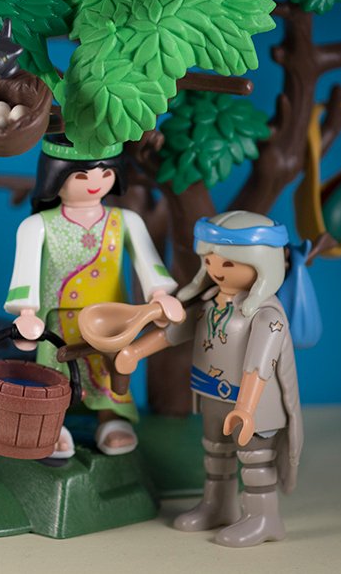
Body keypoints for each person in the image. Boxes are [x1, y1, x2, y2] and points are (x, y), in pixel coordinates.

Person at [115, 210, 317, 547]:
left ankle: (264, 518)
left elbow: (259, 366)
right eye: (209, 261)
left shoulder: (266, 315)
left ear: (261, 264)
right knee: (216, 454)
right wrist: (135, 352)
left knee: (255, 460)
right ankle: (218, 506)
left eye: (228, 263)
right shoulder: (211, 302)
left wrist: (247, 408)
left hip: (254, 404)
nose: (215, 270)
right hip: (213, 396)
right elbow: (173, 332)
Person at [5, 134, 182, 458]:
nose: (95, 182)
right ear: (55, 175)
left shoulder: (125, 221)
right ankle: (52, 423)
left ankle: (111, 418)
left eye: (105, 172)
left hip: (110, 319)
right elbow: (25, 273)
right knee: (55, 372)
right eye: (82, 175)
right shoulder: (37, 225)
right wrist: (26, 313)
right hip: (58, 319)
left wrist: (159, 293)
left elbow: (148, 261)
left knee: (108, 369)